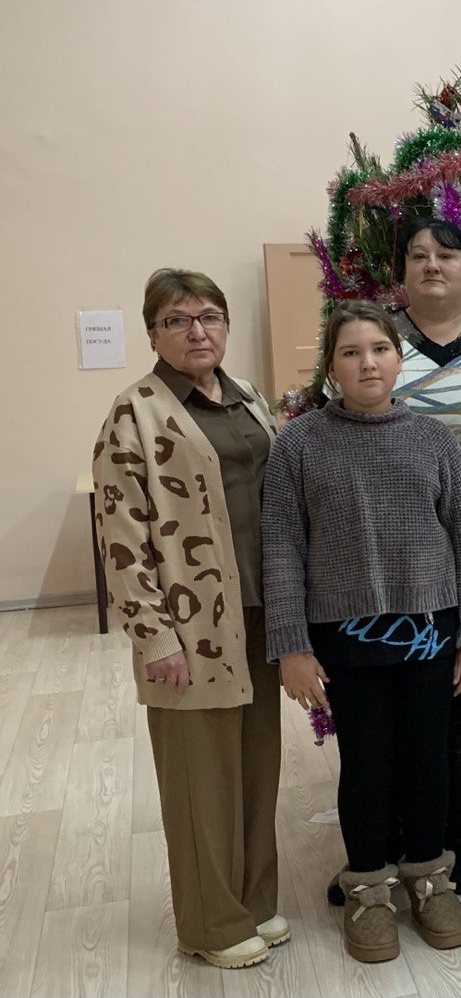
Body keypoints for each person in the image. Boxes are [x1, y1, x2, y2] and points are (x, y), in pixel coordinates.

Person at [263, 301, 461, 964]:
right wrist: (291, 645)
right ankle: (366, 887)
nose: (368, 363)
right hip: (346, 636)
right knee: (366, 763)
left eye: (380, 349)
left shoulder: (434, 440)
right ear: (331, 366)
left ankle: (430, 879)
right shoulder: (298, 445)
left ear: (398, 357)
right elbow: (281, 546)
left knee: (427, 757)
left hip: (429, 631)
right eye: (351, 352)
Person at [324, 216, 461, 905]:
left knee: (458, 710)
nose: (432, 265)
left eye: (446, 254)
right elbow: (338, 439)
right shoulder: (378, 341)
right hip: (391, 561)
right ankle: (379, 846)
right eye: (418, 255)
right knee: (383, 728)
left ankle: (453, 834)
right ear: (402, 271)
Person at [91, 269, 285, 969]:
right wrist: (153, 637)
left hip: (259, 615)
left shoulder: (247, 397)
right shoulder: (135, 412)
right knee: (201, 778)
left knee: (257, 766)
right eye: (177, 320)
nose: (197, 331)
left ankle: (254, 902)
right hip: (188, 626)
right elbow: (121, 535)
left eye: (209, 316)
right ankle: (211, 923)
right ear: (153, 334)